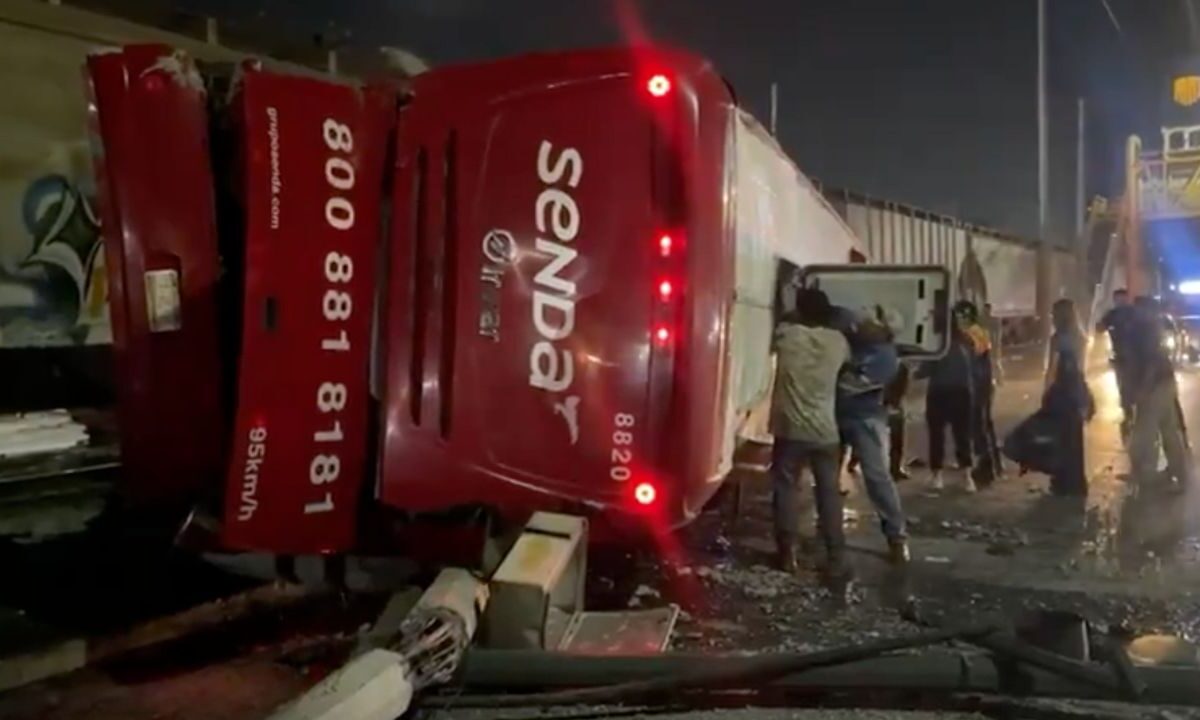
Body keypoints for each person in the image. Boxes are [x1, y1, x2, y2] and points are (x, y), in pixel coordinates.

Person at [769, 288, 851, 577]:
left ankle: (787, 553)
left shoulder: (788, 336)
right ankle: (835, 554)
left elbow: (782, 319)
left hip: (790, 430)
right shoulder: (838, 342)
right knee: (828, 494)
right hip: (826, 432)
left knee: (786, 489)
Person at [834, 308, 910, 565]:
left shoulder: (885, 356)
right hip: (843, 415)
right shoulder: (853, 341)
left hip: (864, 418)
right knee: (828, 477)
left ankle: (896, 535)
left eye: (872, 321)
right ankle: (829, 528)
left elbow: (849, 386)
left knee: (877, 476)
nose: (863, 324)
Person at [1126, 296, 1192, 490]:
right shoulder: (1155, 328)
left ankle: (1143, 477)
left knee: (1142, 436)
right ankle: (1180, 475)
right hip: (1165, 384)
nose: (1135, 312)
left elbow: (1151, 364)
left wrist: (1141, 390)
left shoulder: (1146, 331)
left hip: (1154, 387)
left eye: (1138, 309)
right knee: (1169, 431)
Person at [918, 319, 976, 492]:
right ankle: (967, 477)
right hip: (963, 391)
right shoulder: (966, 340)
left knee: (937, 435)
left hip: (939, 391)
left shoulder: (936, 343)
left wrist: (912, 371)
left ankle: (937, 476)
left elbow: (926, 368)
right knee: (962, 435)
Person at [1044, 298, 1092, 496]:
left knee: (1061, 439)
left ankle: (1061, 482)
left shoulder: (1057, 338)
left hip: (1061, 390)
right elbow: (1081, 368)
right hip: (1077, 389)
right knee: (1076, 438)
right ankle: (1078, 482)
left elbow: (1052, 369)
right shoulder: (1080, 337)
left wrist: (1045, 391)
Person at [957, 301, 1003, 485]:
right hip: (983, 384)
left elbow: (975, 362)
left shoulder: (971, 334)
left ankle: (987, 467)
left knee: (979, 427)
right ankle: (994, 464)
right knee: (985, 425)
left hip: (978, 386)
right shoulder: (978, 332)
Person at [1096, 289, 1137, 437]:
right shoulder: (1114, 314)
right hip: (1123, 358)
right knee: (1125, 387)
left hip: (1132, 358)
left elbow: (1099, 328)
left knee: (1127, 386)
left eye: (1121, 299)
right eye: (1117, 300)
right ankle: (1130, 413)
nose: (1120, 302)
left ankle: (1131, 413)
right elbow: (1099, 328)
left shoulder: (1128, 313)